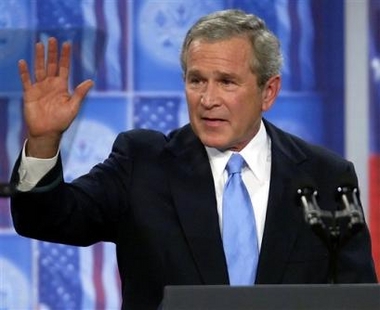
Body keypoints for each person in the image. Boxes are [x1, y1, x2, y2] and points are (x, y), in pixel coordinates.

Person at [10, 9, 377, 310]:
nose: (208, 98)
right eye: (197, 80)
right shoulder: (143, 162)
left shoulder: (323, 176)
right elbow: (49, 219)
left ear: (268, 91)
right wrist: (43, 141)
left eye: (227, 82)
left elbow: (357, 296)